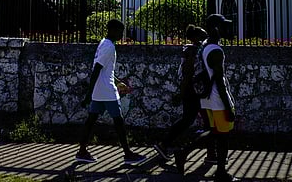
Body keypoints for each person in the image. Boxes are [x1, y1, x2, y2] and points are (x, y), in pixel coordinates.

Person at [76, 19, 146, 165]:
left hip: (100, 90)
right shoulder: (109, 47)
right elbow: (96, 70)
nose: (121, 34)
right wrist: (88, 94)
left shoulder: (103, 43)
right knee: (119, 122)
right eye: (120, 31)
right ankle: (127, 154)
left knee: (91, 121)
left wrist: (117, 81)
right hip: (107, 91)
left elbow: (104, 69)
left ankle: (82, 151)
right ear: (113, 30)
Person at [154, 24, 216, 172]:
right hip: (193, 91)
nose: (205, 37)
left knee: (195, 121)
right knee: (197, 121)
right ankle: (166, 144)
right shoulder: (193, 51)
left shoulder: (196, 49)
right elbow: (188, 73)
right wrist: (182, 92)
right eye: (202, 35)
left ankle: (210, 153)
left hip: (195, 91)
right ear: (195, 38)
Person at [199, 14, 237, 182]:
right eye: (223, 26)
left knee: (214, 133)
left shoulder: (205, 46)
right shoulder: (216, 50)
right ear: (215, 28)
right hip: (217, 99)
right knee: (223, 137)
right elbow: (220, 81)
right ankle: (221, 172)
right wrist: (228, 106)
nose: (226, 29)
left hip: (208, 98)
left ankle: (183, 152)